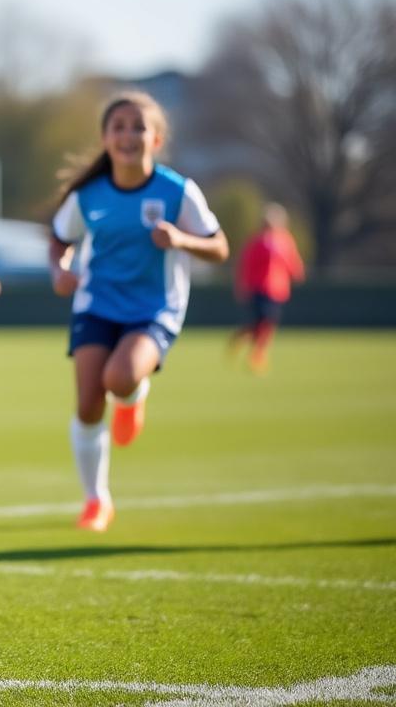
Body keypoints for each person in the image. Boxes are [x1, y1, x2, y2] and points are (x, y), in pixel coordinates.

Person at [49, 91, 229, 532]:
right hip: (96, 304)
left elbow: (220, 247)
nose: (128, 135)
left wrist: (183, 241)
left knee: (120, 378)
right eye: (119, 127)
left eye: (138, 127)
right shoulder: (87, 195)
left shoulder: (178, 191)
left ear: (156, 138)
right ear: (105, 138)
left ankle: (133, 398)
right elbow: (59, 239)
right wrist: (60, 268)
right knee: (89, 404)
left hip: (154, 309)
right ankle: (96, 501)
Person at [230, 203, 304, 373]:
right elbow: (246, 265)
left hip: (278, 290)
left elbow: (291, 261)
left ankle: (244, 339)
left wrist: (296, 272)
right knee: (263, 321)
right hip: (259, 288)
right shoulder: (257, 241)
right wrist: (242, 286)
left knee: (266, 324)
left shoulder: (285, 240)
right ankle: (257, 355)